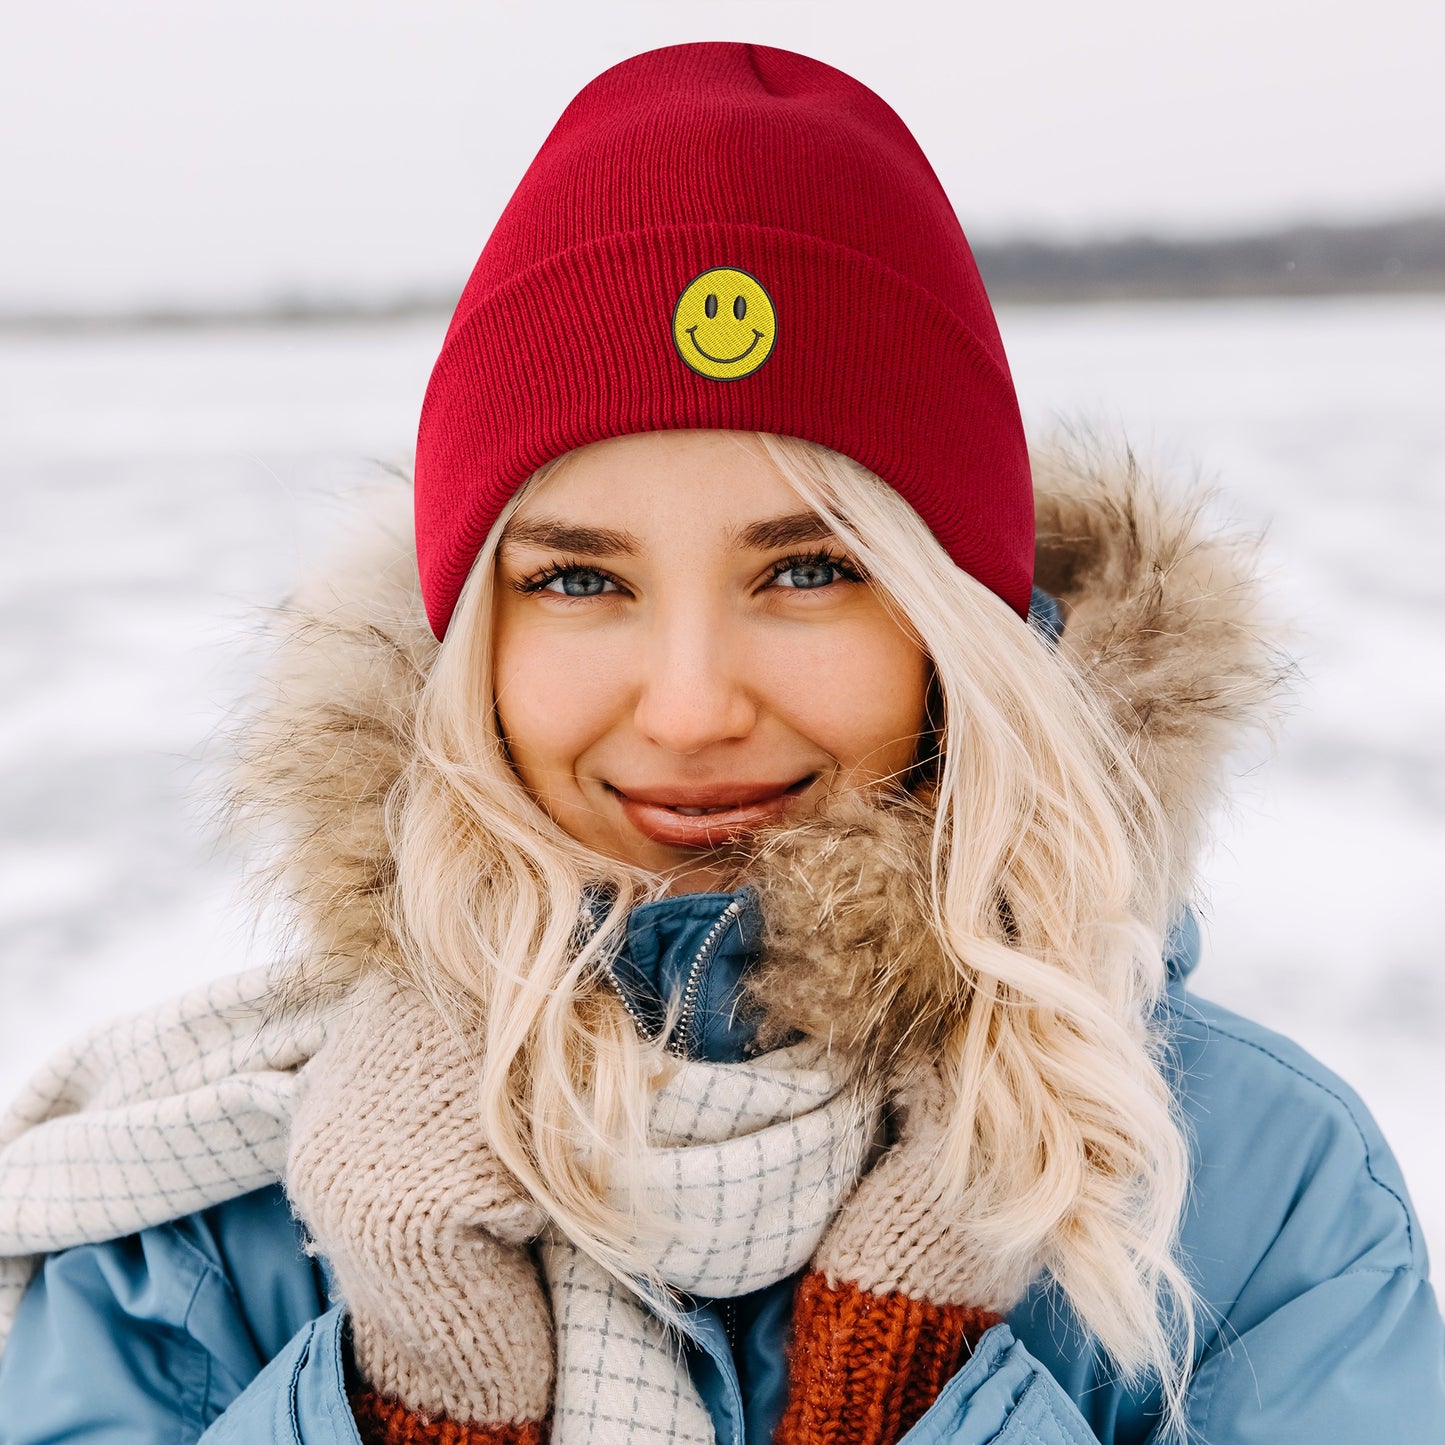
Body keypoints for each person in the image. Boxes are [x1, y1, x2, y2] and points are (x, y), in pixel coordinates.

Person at [0, 40, 1440, 1445]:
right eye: (577, 578)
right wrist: (409, 1405)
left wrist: (910, 1386)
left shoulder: (1247, 1202)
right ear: (466, 648)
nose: (689, 708)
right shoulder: (206, 1224)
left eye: (808, 570)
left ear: (955, 630)